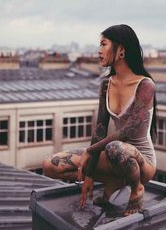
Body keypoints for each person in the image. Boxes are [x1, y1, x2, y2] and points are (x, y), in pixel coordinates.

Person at [43, 24, 157, 216]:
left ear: (121, 50)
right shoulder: (106, 84)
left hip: (141, 162)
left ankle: (136, 189)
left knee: (115, 148)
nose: (99, 50)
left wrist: (90, 151)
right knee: (51, 164)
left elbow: (129, 130)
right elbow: (100, 130)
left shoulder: (145, 85)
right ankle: (111, 182)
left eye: (104, 44)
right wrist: (88, 175)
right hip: (113, 156)